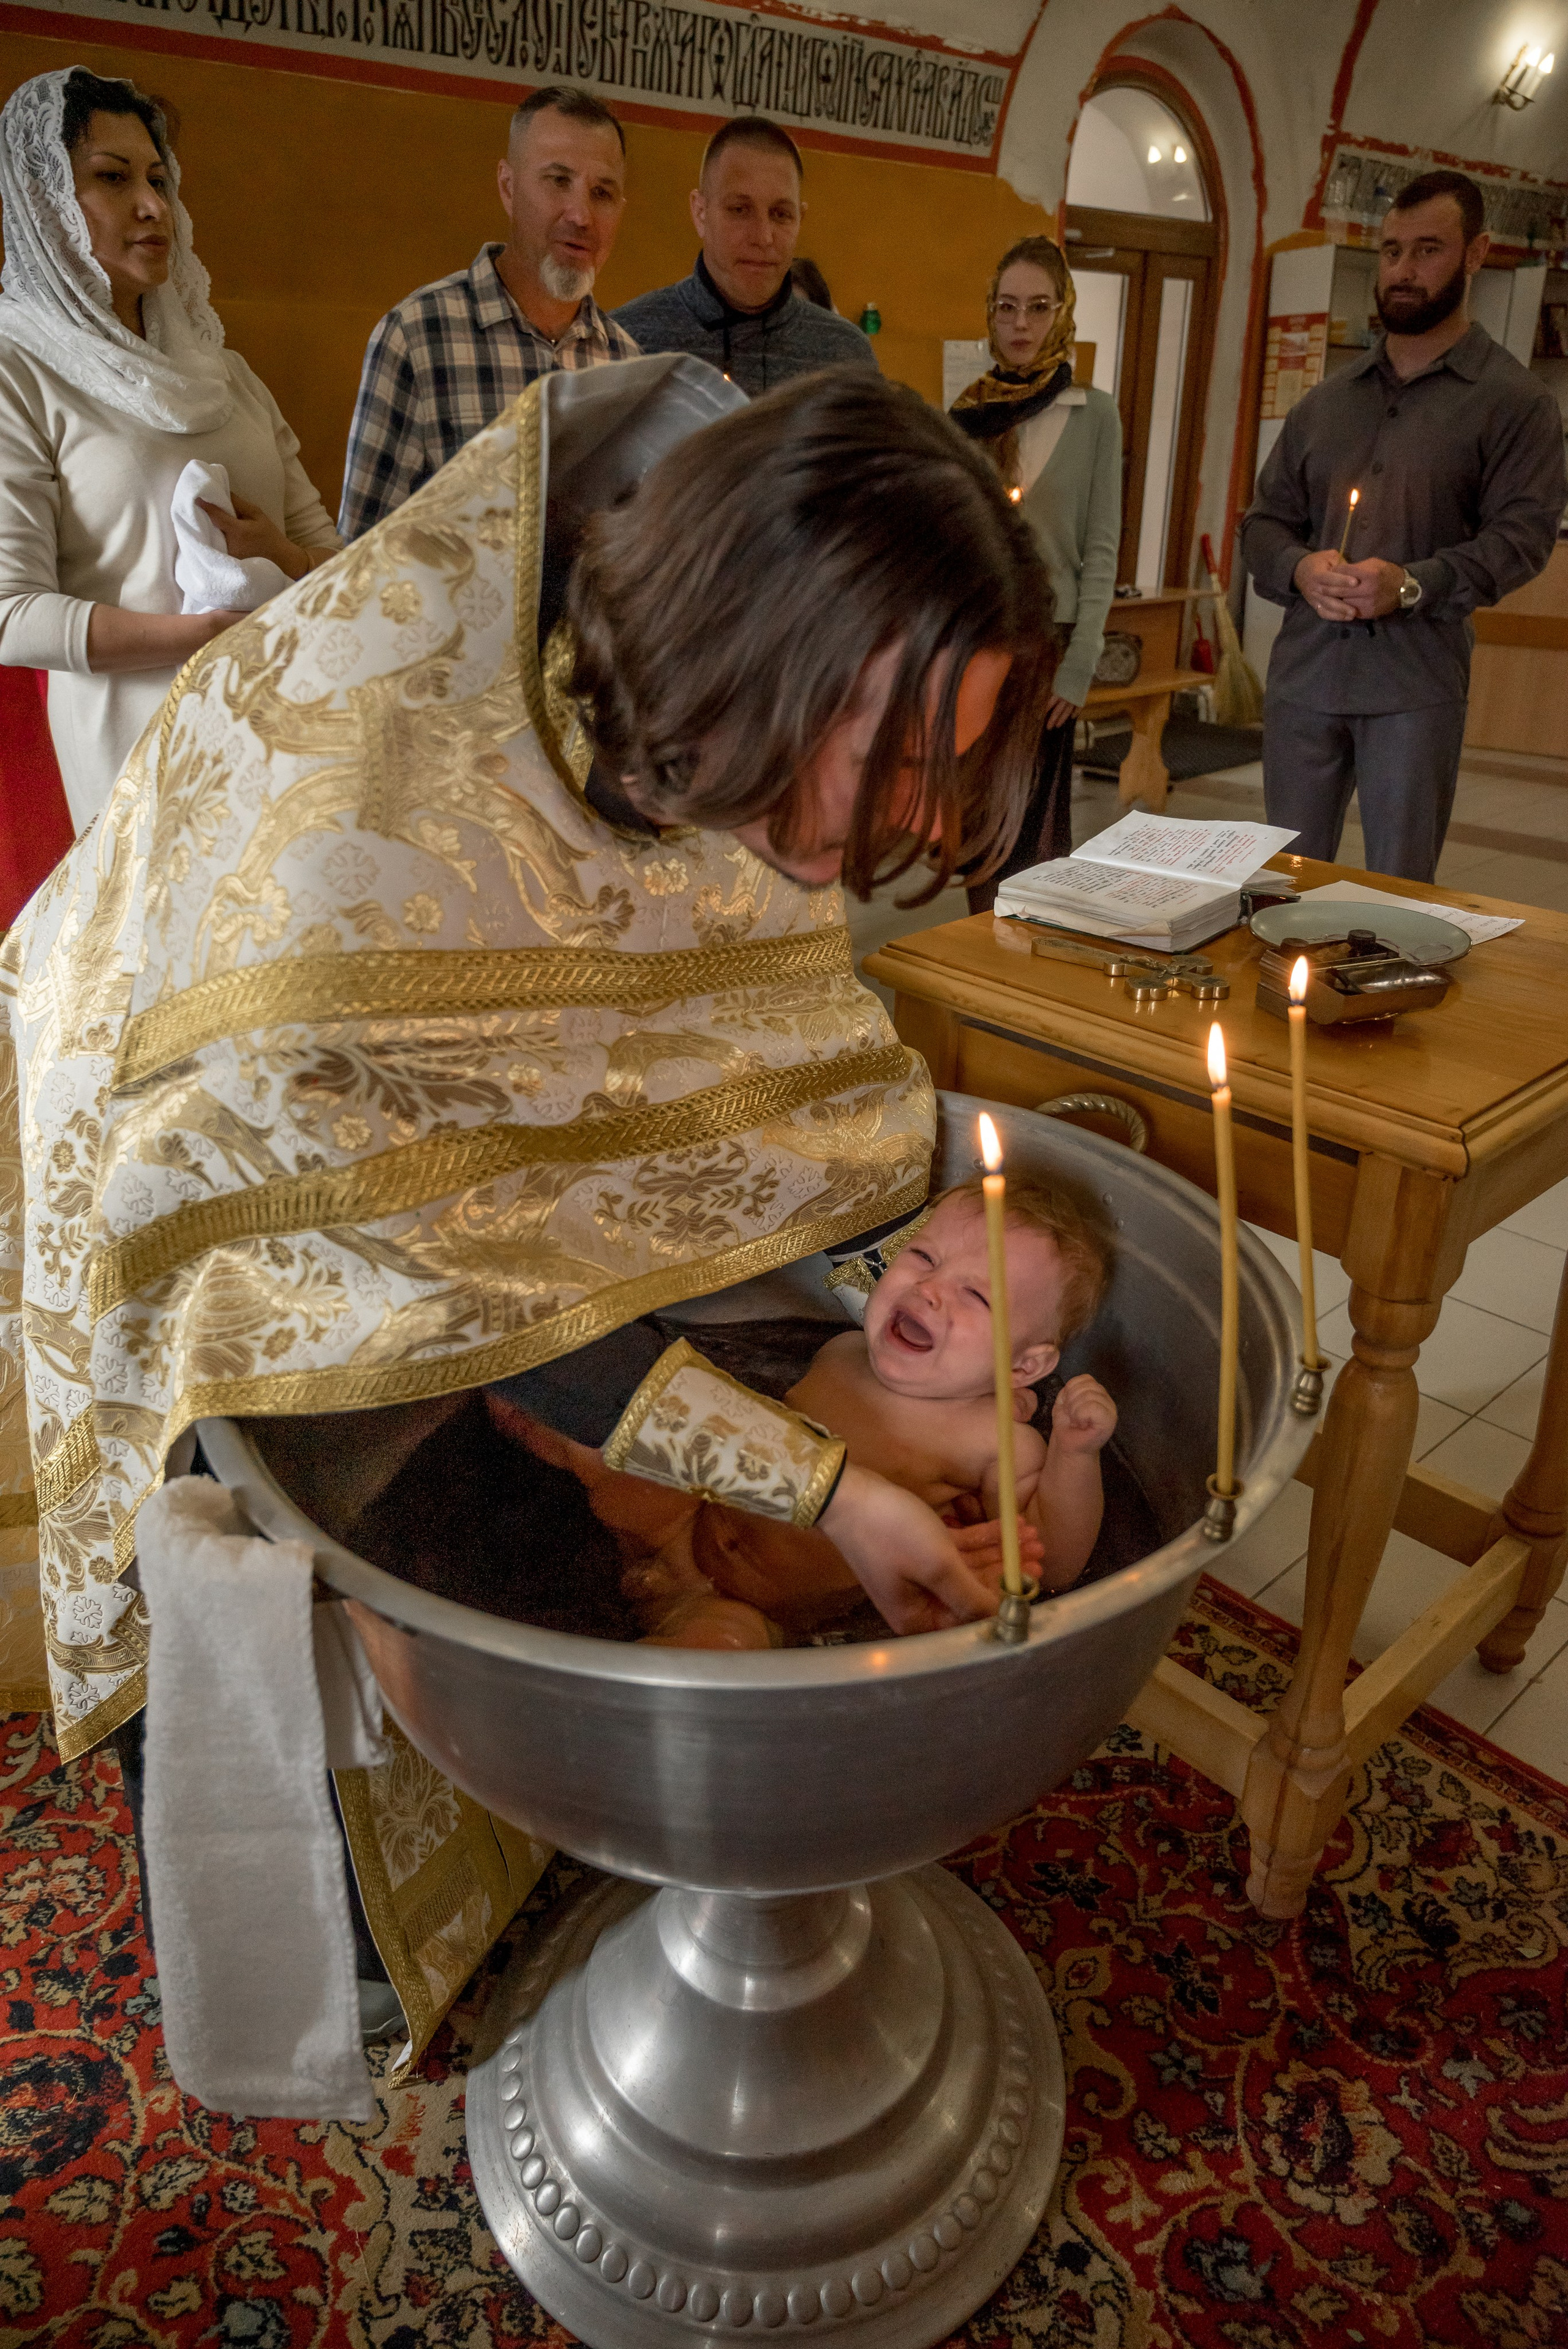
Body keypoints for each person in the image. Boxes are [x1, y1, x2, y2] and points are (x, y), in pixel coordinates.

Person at [0, 354, 1054, 2061]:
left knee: (560, 1548)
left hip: (406, 1195)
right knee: (387, 1569)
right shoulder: (351, 830)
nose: (923, 819)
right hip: (210, 1183)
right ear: (768, 659)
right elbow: (437, 1281)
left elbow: (734, 1074)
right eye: (906, 757)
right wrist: (830, 1485)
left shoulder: (719, 723)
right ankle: (344, 1923)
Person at [0, 67, 340, 834]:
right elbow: (11, 613)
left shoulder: (225, 372)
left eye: (159, 179)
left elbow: (334, 559)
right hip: (138, 769)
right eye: (113, 179)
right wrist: (200, 638)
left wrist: (281, 554)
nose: (154, 206)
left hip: (278, 740)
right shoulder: (16, 366)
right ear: (44, 201)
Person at [1242, 168, 1566, 883]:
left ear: (1475, 254)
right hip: (1306, 678)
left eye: (1427, 251)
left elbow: (1522, 538)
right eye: (1391, 252)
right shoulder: (1324, 405)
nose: (1403, 271)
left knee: (1396, 893)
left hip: (1412, 688)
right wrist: (1299, 567)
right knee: (1283, 888)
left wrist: (1411, 585)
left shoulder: (1513, 403)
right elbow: (1262, 525)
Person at [339, 84, 638, 540]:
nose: (581, 215)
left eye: (602, 193)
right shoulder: (418, 339)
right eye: (558, 181)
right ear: (508, 187)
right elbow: (358, 559)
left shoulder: (629, 364)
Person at [790, 1180, 1117, 1593]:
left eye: (977, 1296)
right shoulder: (841, 1352)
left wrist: (1074, 1454)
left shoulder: (995, 1441)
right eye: (923, 1256)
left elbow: (1048, 1563)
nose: (929, 1288)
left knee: (720, 1637)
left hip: (789, 1597)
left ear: (1022, 1365)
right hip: (693, 1520)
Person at [949, 235, 1121, 907]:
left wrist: (1080, 664)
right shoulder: (967, 414)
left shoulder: (1093, 414)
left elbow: (1102, 549)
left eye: (1038, 308)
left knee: (1031, 830)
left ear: (1062, 315)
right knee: (974, 820)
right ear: (990, 314)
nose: (1021, 324)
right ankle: (977, 949)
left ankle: (1027, 951)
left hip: (1048, 642)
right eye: (1007, 307)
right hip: (977, 640)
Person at [612, 118, 877, 394]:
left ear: (801, 218)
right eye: (740, 210)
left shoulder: (846, 358)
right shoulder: (629, 343)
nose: (763, 238)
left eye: (780, 214)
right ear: (700, 212)